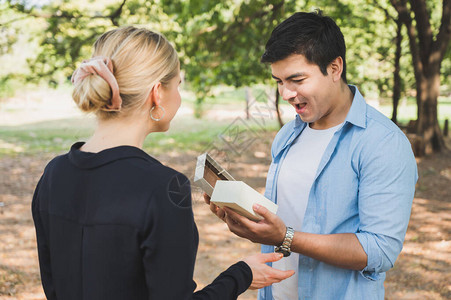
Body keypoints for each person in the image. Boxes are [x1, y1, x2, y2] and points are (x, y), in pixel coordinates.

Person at [31, 26, 294, 300]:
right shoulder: (162, 189)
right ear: (157, 93)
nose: (179, 97)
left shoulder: (53, 174)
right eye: (178, 85)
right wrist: (242, 274)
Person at [205, 11, 418, 300]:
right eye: (279, 81)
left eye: (296, 79)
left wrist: (284, 237)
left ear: (334, 68)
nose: (286, 93)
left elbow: (379, 250)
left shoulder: (383, 143)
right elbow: (287, 216)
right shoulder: (287, 135)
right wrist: (244, 218)